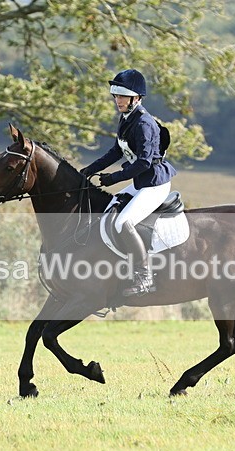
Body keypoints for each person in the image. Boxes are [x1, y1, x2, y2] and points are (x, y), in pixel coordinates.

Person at [79, 69, 177, 296]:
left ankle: (144, 277)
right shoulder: (126, 119)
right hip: (141, 181)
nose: (117, 100)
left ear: (137, 98)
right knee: (109, 208)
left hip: (154, 183)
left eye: (122, 96)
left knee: (123, 222)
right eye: (116, 95)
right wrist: (89, 170)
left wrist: (113, 178)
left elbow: (143, 163)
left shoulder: (144, 124)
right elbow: (116, 152)